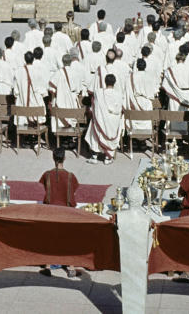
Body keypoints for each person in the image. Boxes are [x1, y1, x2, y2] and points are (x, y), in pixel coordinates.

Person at [38, 148, 81, 278]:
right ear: (65, 158)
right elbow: (73, 192)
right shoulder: (70, 176)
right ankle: (71, 268)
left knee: (49, 239)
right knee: (69, 240)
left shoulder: (47, 175)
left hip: (51, 212)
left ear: (53, 158)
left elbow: (46, 189)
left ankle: (47, 266)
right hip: (66, 212)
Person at [85, 72, 123, 163]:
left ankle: (94, 155)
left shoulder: (98, 92)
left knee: (94, 124)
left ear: (105, 82)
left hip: (101, 120)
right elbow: (119, 109)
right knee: (117, 123)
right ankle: (107, 157)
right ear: (115, 82)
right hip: (113, 122)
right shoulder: (118, 94)